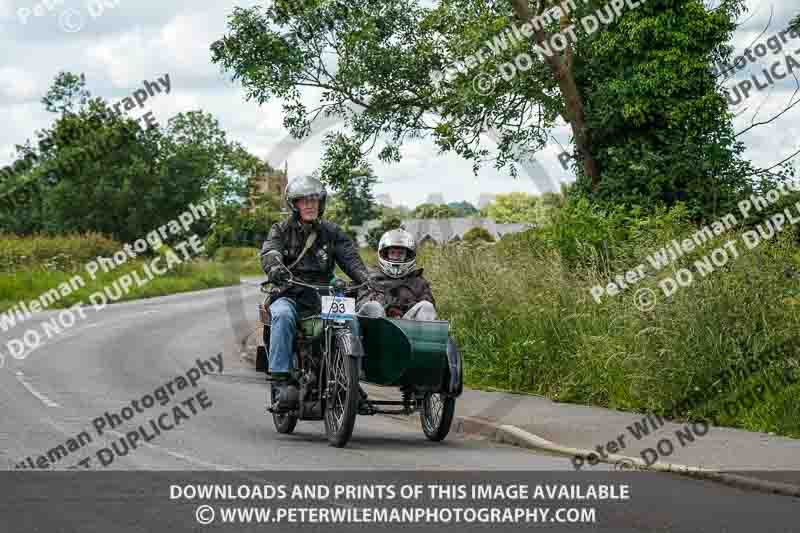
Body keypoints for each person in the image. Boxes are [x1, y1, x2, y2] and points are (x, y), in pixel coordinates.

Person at [260, 175, 371, 411]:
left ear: (321, 203)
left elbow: (350, 258)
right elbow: (270, 251)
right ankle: (281, 381)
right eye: (303, 200)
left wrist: (366, 278)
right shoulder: (281, 229)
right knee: (282, 316)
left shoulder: (331, 232)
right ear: (294, 204)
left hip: (324, 294)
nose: (310, 205)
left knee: (350, 319)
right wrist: (276, 267)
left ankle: (351, 379)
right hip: (289, 291)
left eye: (314, 199)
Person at [356, 228, 436, 321]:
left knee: (427, 307)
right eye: (392, 253)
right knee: (373, 306)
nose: (396, 257)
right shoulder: (370, 277)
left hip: (408, 327)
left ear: (408, 255)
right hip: (376, 327)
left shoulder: (419, 282)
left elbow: (430, 306)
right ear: (385, 254)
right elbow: (361, 304)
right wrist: (389, 307)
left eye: (401, 253)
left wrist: (401, 308)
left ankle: (423, 335)